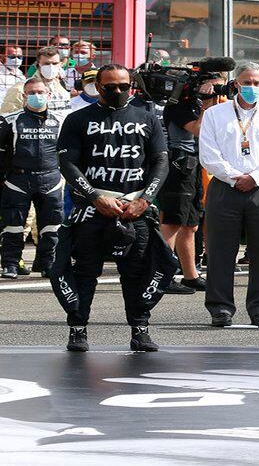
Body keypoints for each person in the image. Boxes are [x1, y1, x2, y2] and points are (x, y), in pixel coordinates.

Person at [50, 63, 173, 353]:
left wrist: (145, 200)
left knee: (138, 272)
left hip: (135, 208)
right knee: (84, 272)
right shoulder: (78, 119)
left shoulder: (148, 118)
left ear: (131, 85)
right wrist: (94, 197)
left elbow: (160, 161)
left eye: (123, 86)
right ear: (97, 87)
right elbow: (67, 163)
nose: (117, 91)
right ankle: (78, 330)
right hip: (93, 210)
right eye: (110, 87)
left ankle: (140, 329)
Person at [198, 61, 259, 328]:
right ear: (236, 83)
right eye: (245, 82)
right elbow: (209, 154)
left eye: (256, 83)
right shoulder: (216, 114)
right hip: (225, 188)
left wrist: (254, 178)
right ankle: (220, 308)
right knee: (220, 250)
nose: (250, 87)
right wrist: (234, 177)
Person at [158, 75, 222, 295]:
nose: (215, 90)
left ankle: (190, 275)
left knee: (191, 223)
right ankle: (161, 276)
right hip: (178, 165)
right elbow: (200, 129)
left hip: (194, 165)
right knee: (173, 220)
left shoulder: (199, 104)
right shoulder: (179, 106)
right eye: (213, 85)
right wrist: (207, 104)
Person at [0, 78, 66, 278]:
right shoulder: (9, 120)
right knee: (13, 225)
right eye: (31, 93)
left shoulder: (61, 120)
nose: (37, 96)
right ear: (24, 96)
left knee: (51, 225)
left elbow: (68, 152)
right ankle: (11, 264)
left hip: (51, 179)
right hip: (18, 180)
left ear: (49, 95)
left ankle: (47, 264)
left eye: (40, 92)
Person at [2, 47, 70, 115]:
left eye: (55, 63)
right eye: (46, 64)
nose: (51, 67)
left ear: (60, 64)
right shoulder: (20, 88)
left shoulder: (61, 86)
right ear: (38, 64)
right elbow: (6, 116)